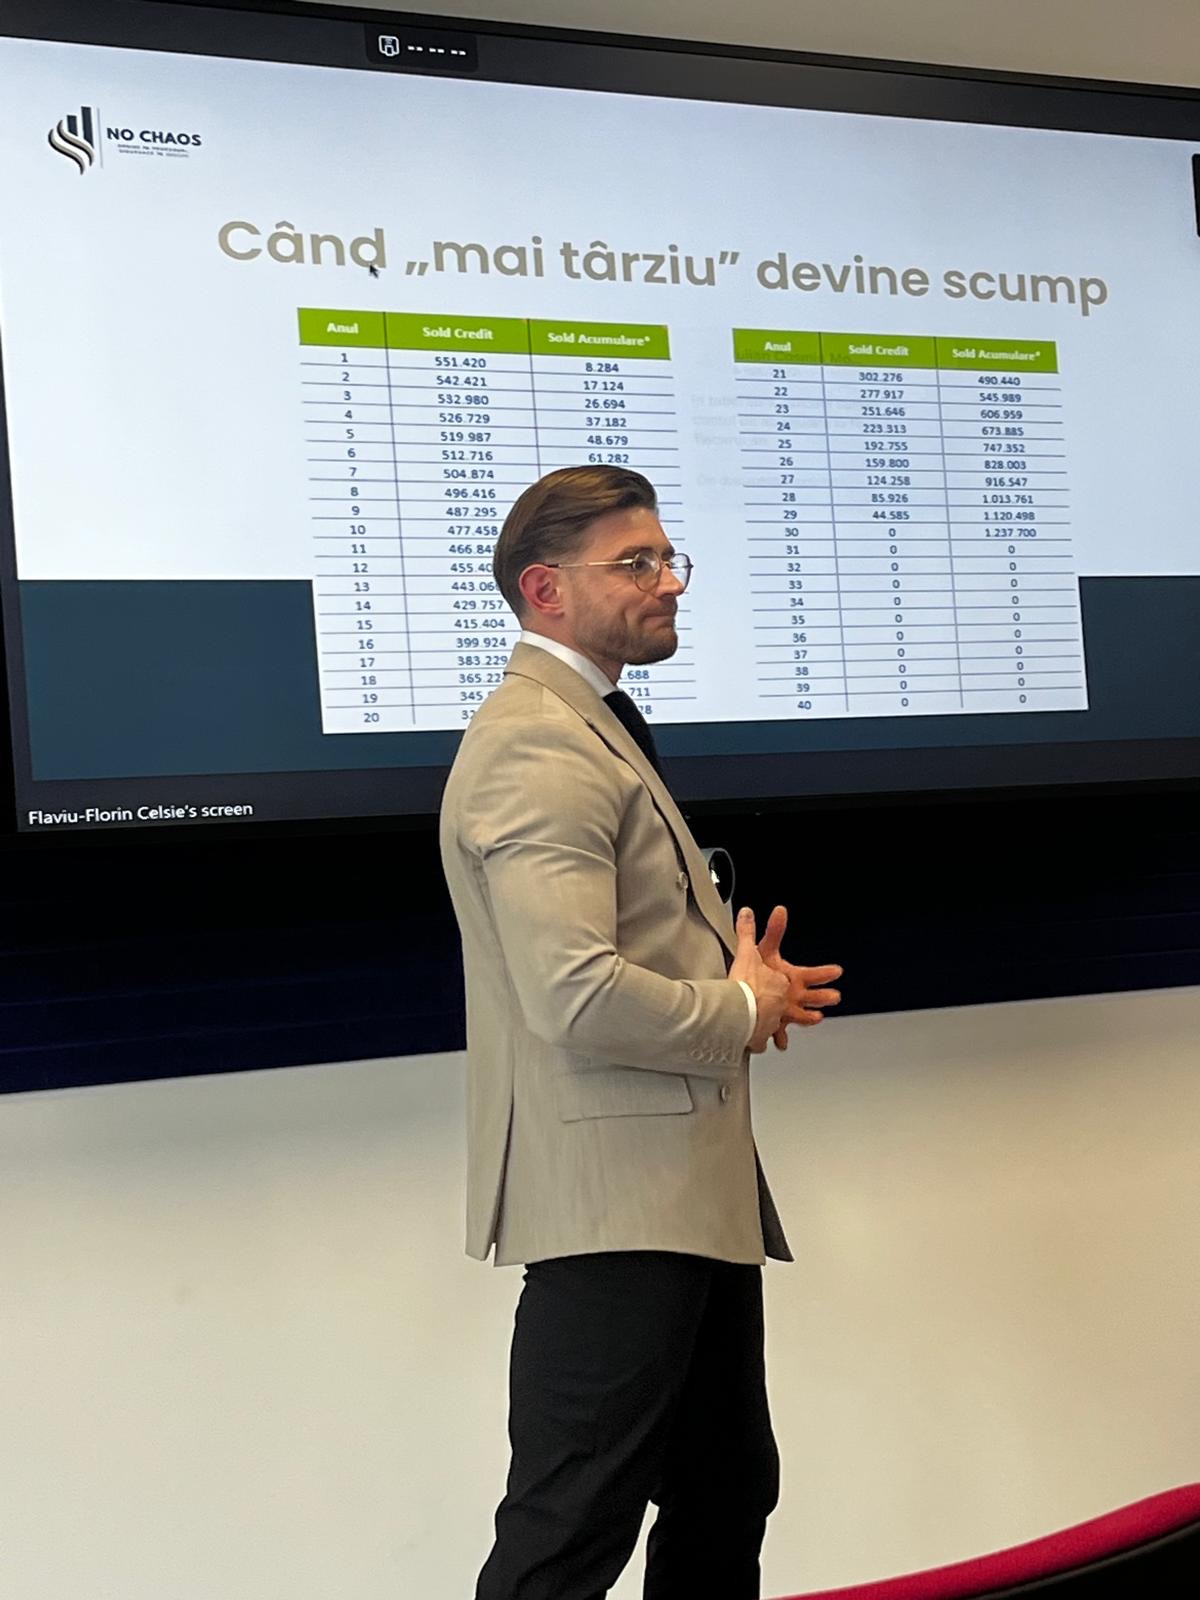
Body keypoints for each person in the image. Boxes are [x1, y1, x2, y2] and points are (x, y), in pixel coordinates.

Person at [438, 465, 842, 1600]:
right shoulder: (537, 744)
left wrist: (745, 982)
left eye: (669, 558)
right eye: (637, 563)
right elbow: (572, 990)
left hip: (680, 1191)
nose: (669, 583)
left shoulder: (591, 725)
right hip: (615, 1202)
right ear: (545, 588)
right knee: (569, 1534)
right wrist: (737, 1008)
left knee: (726, 1489)